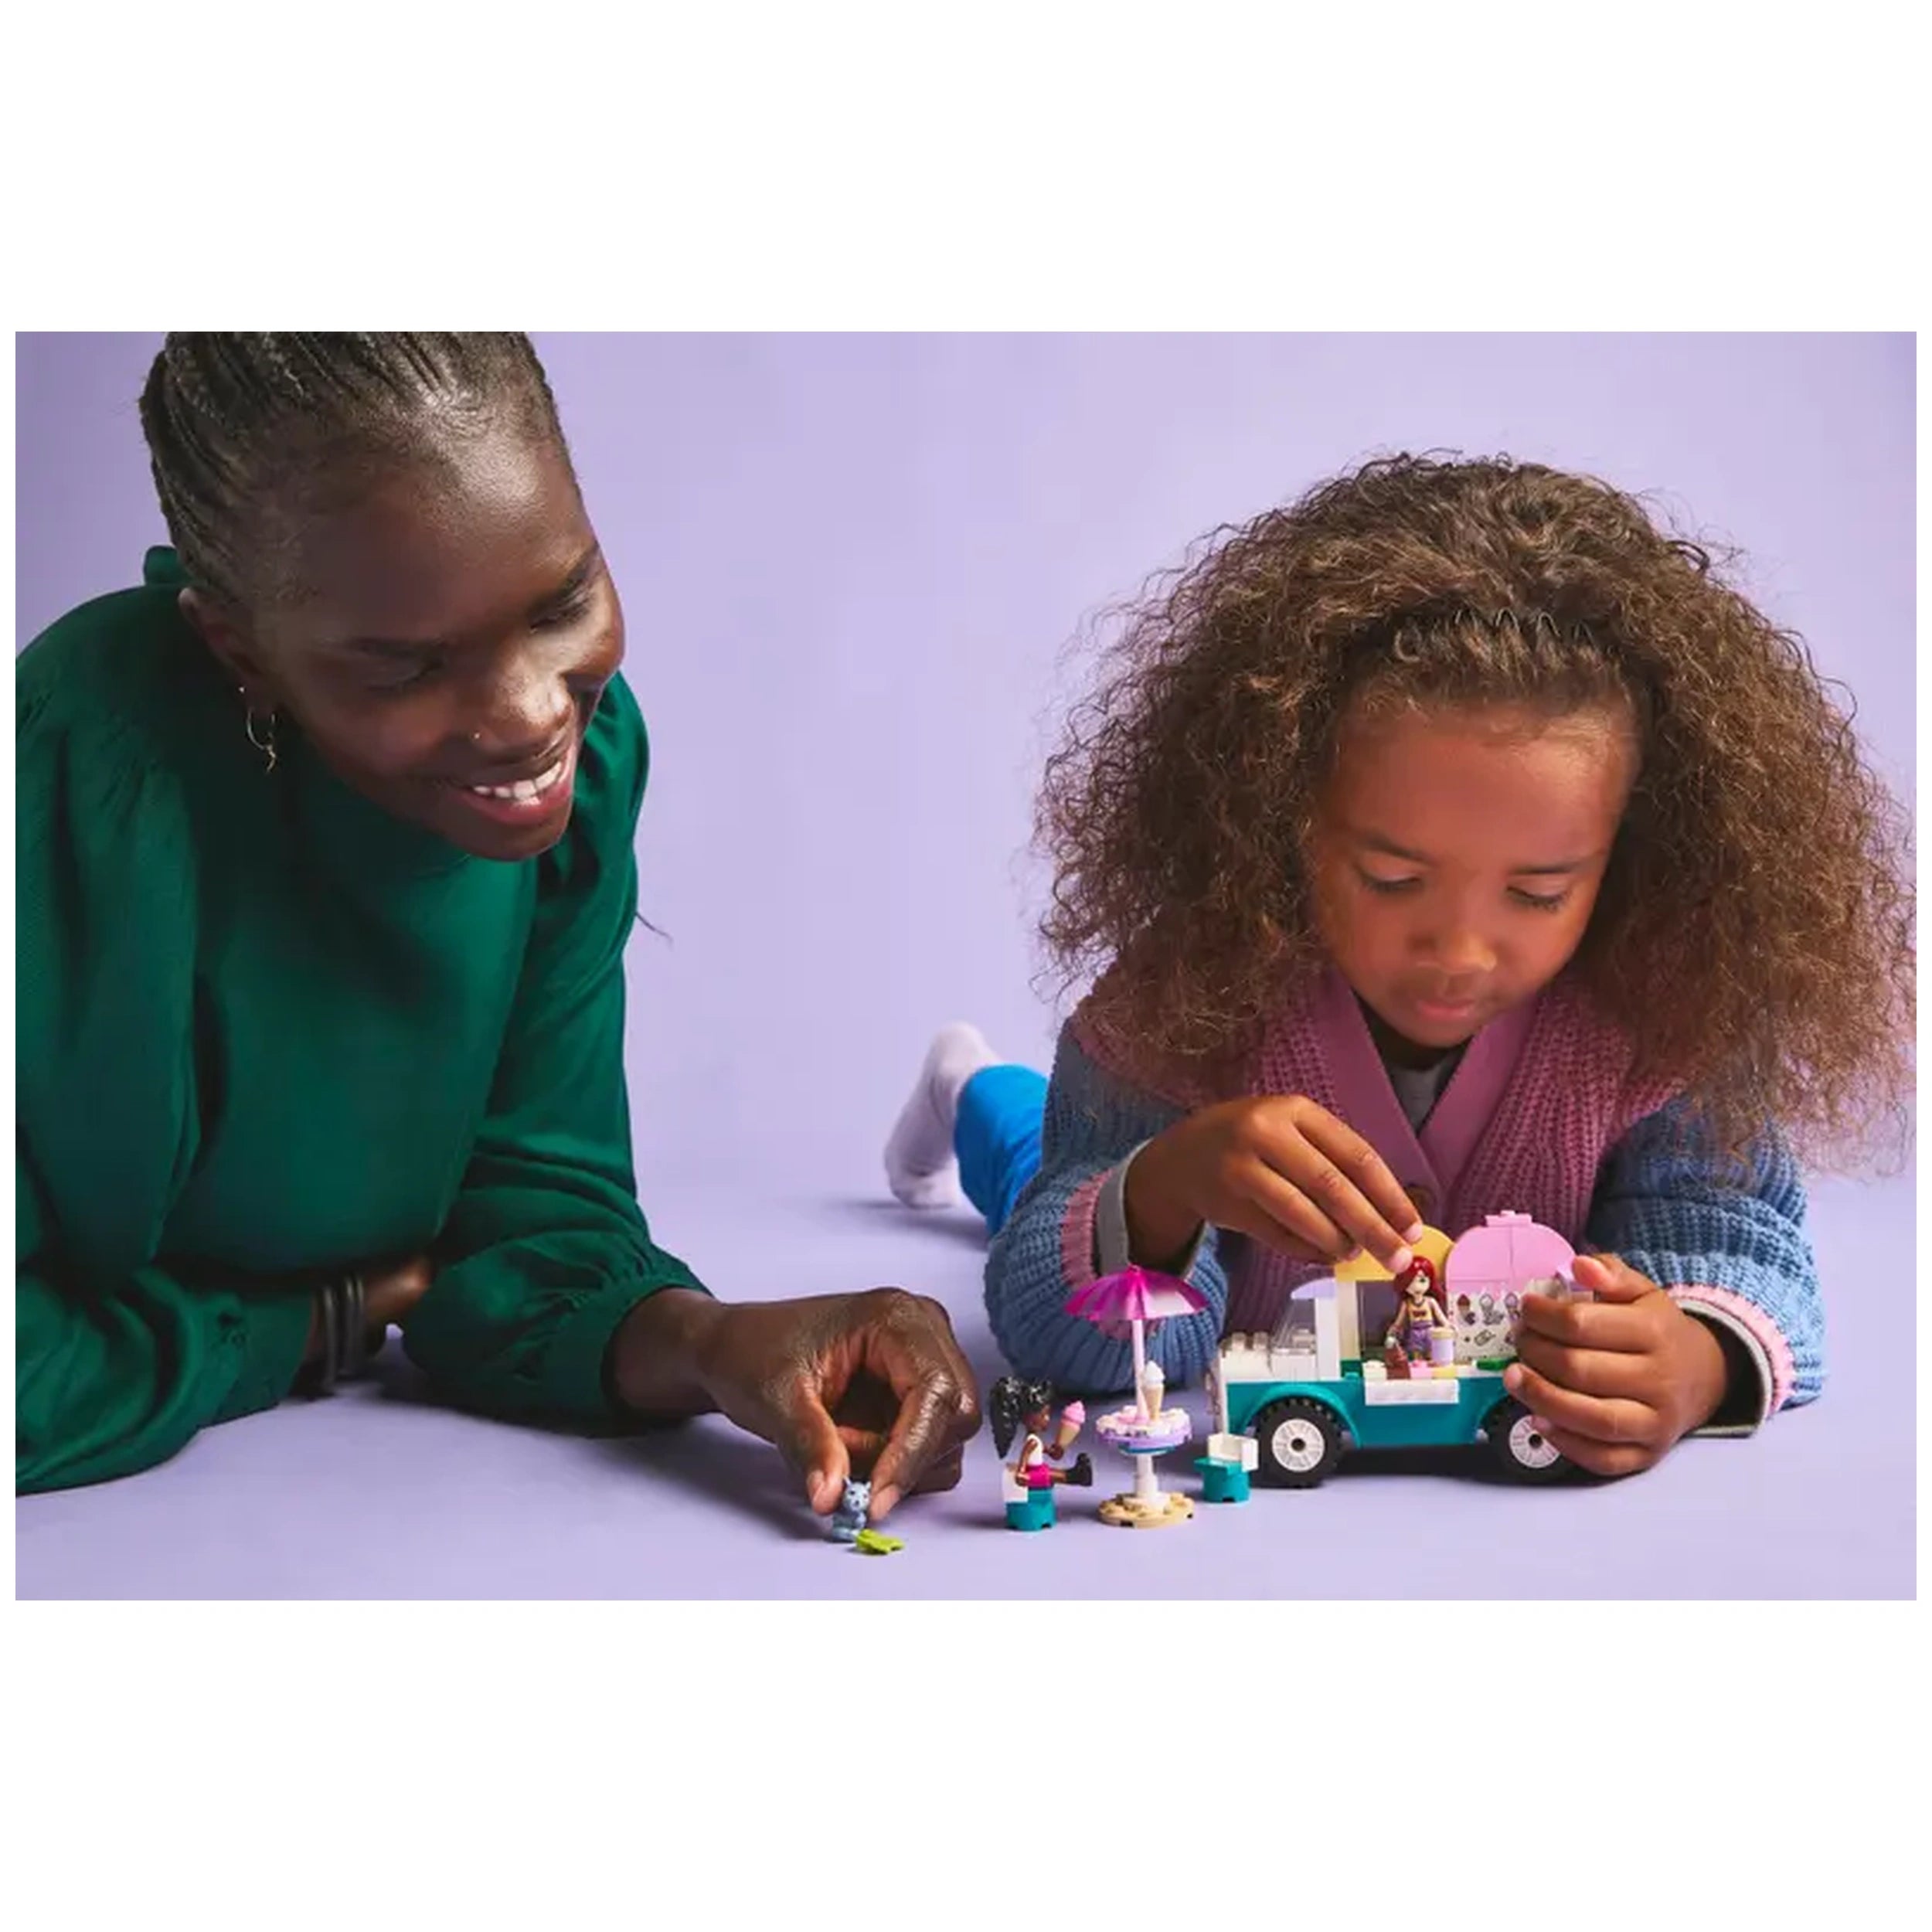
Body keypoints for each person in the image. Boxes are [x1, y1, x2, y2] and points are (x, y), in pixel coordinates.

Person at [17, 332, 980, 1509]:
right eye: (408, 668)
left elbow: (527, 1227)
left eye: (564, 599)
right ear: (240, 649)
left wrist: (717, 1346)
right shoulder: (80, 783)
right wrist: (288, 1331)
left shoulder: (583, 770)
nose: (530, 716)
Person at [884, 454, 1913, 1478]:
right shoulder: (1183, 1003)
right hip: (1127, 1184)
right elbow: (1065, 1343)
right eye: (1388, 877)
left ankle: (976, 1079)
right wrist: (1165, 1186)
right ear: (1281, 822)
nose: (1460, 952)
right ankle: (964, 1084)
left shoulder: (1668, 1012)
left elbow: (1736, 1241)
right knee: (1031, 1162)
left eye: (1539, 893)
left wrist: (1692, 1356)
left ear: (1632, 854)